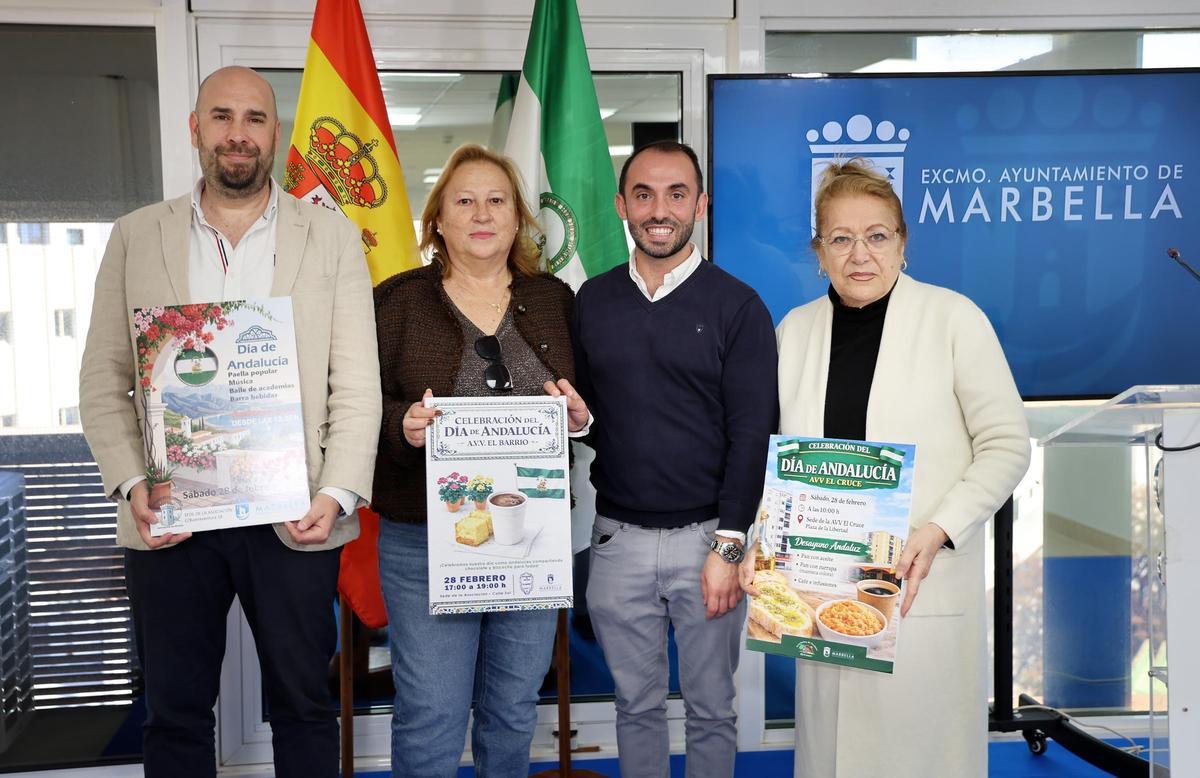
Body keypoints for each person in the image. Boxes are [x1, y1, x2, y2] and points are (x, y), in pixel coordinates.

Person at [78, 66, 381, 778]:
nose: (237, 134)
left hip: (297, 511)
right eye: (221, 117)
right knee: (175, 714)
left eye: (253, 119)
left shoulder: (332, 239)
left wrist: (334, 494)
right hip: (171, 515)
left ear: (275, 134)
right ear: (196, 129)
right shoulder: (134, 237)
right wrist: (132, 487)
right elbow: (101, 382)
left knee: (305, 708)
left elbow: (358, 385)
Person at [744, 159, 1031, 777]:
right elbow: (776, 460)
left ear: (903, 244)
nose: (859, 255)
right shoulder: (793, 332)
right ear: (818, 251)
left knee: (917, 755)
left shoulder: (954, 319)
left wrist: (938, 531)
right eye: (840, 238)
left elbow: (1007, 444)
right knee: (833, 754)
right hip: (822, 590)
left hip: (921, 582)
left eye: (877, 235)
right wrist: (757, 544)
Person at [371, 143, 590, 777]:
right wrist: (401, 425)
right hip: (424, 540)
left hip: (532, 539)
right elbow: (358, 404)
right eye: (464, 201)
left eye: (496, 200)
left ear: (519, 217)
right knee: (432, 709)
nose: (481, 213)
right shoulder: (399, 302)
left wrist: (578, 418)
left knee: (513, 707)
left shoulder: (555, 300)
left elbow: (583, 403)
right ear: (438, 219)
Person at [571, 140, 779, 778]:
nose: (660, 209)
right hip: (617, 540)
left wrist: (729, 546)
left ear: (701, 205)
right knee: (634, 705)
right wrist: (580, 422)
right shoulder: (591, 302)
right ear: (621, 206)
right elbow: (597, 414)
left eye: (676, 194)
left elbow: (754, 433)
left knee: (712, 707)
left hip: (707, 545)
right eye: (644, 194)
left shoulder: (737, 307)